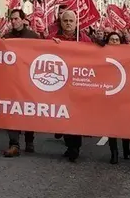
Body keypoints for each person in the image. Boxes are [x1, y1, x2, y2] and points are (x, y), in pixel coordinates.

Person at [51, 9, 89, 161]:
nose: (68, 23)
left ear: (76, 22)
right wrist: (51, 45)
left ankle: (75, 147)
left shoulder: (84, 39)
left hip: (78, 84)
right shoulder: (54, 38)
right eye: (65, 21)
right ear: (61, 23)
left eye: (71, 21)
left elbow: (96, 54)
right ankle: (69, 144)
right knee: (63, 116)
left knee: (75, 116)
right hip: (60, 84)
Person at [2, 8, 38, 157]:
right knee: (12, 110)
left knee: (28, 110)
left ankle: (29, 140)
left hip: (29, 80)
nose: (13, 21)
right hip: (12, 81)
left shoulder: (33, 37)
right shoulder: (7, 37)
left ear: (23, 20)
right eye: (12, 19)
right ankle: (14, 144)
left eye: (16, 18)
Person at [104, 31, 130, 164]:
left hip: (124, 93)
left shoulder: (128, 54)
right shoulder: (102, 53)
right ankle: (114, 152)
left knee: (124, 124)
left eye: (117, 39)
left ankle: (126, 148)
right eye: (112, 39)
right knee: (111, 125)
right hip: (109, 94)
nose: (114, 41)